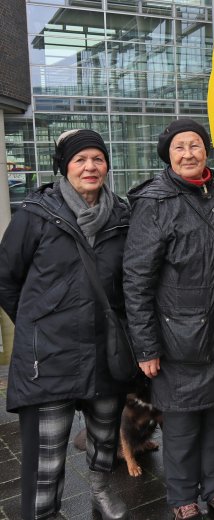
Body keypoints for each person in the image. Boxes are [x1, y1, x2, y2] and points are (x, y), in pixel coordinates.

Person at [0, 130, 131, 520]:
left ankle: (100, 490)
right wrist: (35, 323)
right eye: (80, 160)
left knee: (104, 439)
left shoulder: (122, 216)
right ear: (65, 166)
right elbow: (6, 279)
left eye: (98, 159)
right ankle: (44, 513)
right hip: (50, 356)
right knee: (47, 454)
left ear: (107, 165)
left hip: (105, 352)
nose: (90, 167)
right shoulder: (35, 215)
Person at [123, 119, 214, 520]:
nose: (188, 153)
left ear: (206, 151)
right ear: (168, 155)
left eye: (195, 145)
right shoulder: (154, 201)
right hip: (176, 335)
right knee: (179, 425)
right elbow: (137, 279)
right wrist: (146, 346)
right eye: (179, 147)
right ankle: (181, 498)